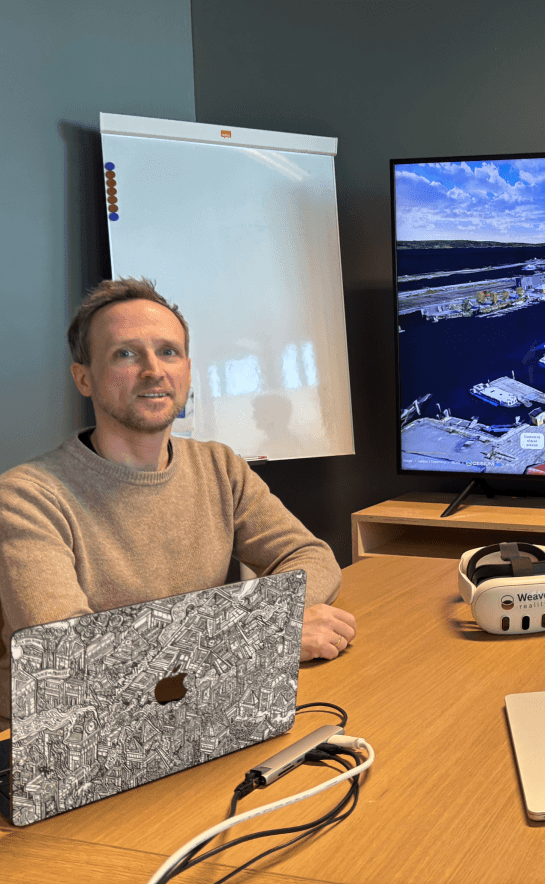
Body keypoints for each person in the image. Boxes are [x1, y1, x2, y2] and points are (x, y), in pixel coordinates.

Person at [0, 278, 357, 726]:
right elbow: (70, 656)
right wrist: (265, 630)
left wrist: (240, 634)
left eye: (168, 351)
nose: (153, 370)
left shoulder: (219, 466)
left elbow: (310, 556)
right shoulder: (26, 496)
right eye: (125, 354)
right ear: (84, 377)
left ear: (187, 369)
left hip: (195, 707)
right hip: (75, 736)